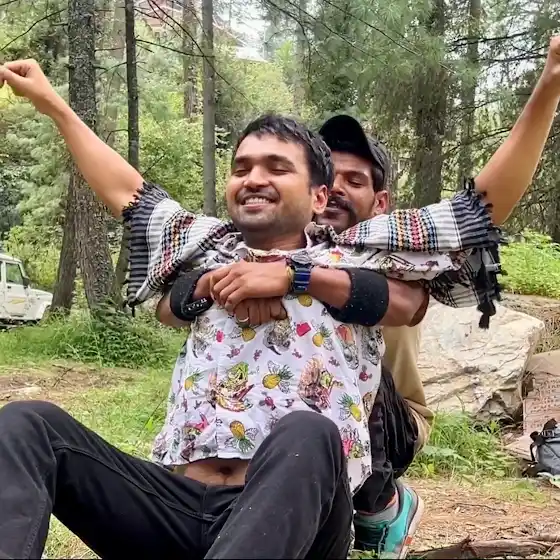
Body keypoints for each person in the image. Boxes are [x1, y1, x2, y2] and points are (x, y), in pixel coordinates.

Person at [0, 34, 558, 557]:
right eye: (241, 167)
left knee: (308, 432)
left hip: (301, 519)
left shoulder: (360, 253)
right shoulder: (207, 249)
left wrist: (550, 83)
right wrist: (54, 105)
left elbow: (482, 206)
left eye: (276, 167)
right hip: (181, 505)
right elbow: (127, 190)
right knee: (27, 425)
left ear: (318, 197)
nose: (253, 178)